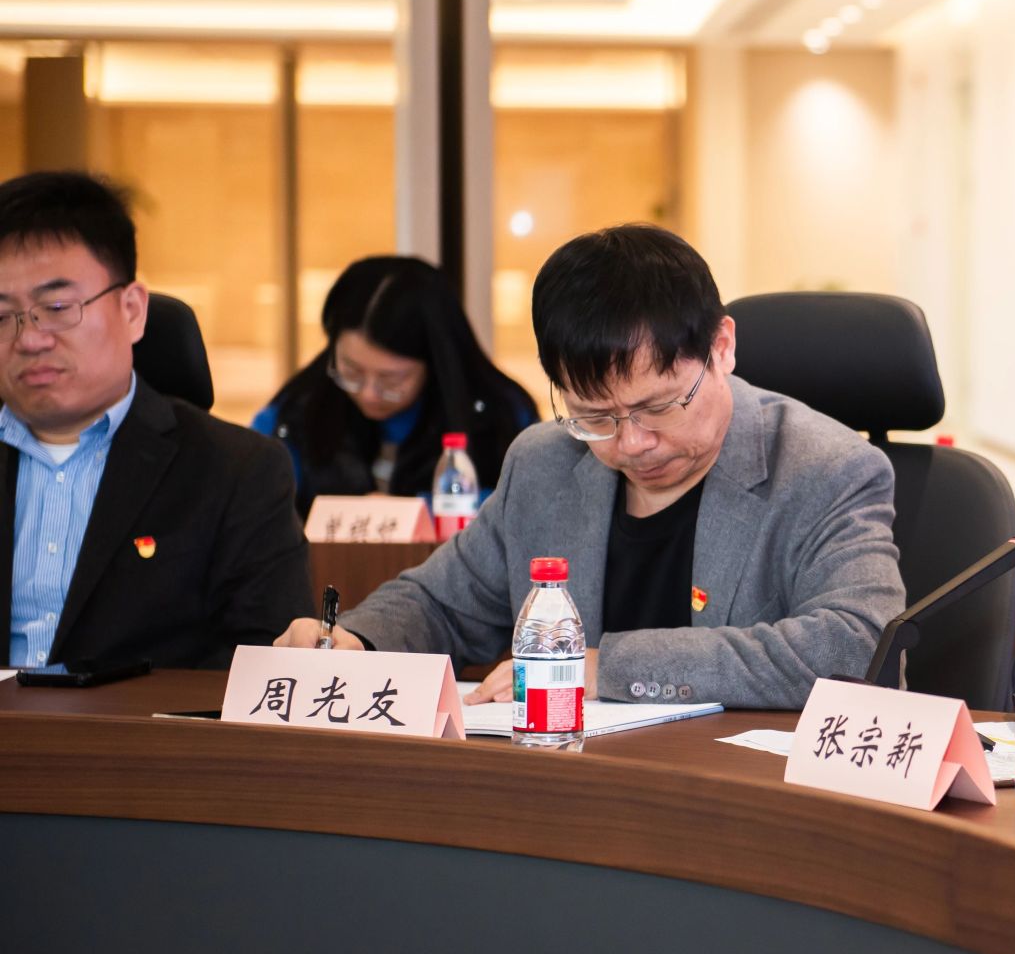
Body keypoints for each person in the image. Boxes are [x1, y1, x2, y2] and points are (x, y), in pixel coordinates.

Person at [273, 223, 904, 711]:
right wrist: (355, 642)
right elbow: (442, 604)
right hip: (575, 789)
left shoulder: (828, 469)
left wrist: (607, 667)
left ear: (722, 348)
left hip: (740, 800)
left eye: (658, 407)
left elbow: (859, 646)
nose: (631, 443)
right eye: (593, 415)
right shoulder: (544, 464)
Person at [1, 170, 310, 670]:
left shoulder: (238, 470)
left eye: (56, 307)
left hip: (149, 723)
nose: (29, 339)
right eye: (2, 316)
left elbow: (271, 669)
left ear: (132, 310)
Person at [253, 256, 537, 515]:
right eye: (351, 371)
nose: (368, 393)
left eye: (391, 380)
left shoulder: (499, 417)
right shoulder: (295, 413)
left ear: (435, 363)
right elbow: (255, 503)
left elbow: (528, 507)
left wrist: (415, 512)